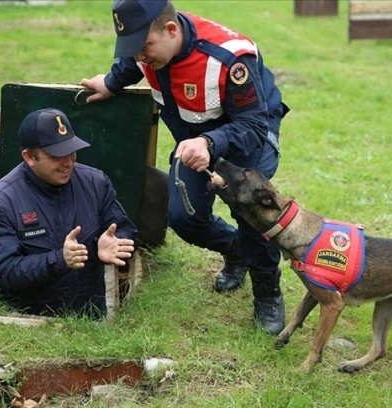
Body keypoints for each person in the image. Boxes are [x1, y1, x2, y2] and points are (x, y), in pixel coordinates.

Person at [80, 0, 289, 334]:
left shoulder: (230, 58)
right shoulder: (147, 50)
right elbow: (132, 63)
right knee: (183, 217)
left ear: (171, 30)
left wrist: (210, 144)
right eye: (132, 49)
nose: (139, 57)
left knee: (251, 214)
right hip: (193, 137)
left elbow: (252, 126)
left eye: (144, 47)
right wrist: (111, 81)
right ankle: (235, 250)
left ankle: (267, 292)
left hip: (248, 132)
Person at [0, 108, 137, 319]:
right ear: (29, 157)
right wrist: (59, 260)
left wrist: (112, 243)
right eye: (56, 156)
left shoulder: (95, 183)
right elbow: (4, 272)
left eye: (71, 151)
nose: (68, 162)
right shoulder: (1, 202)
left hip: (89, 323)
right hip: (26, 326)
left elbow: (124, 230)